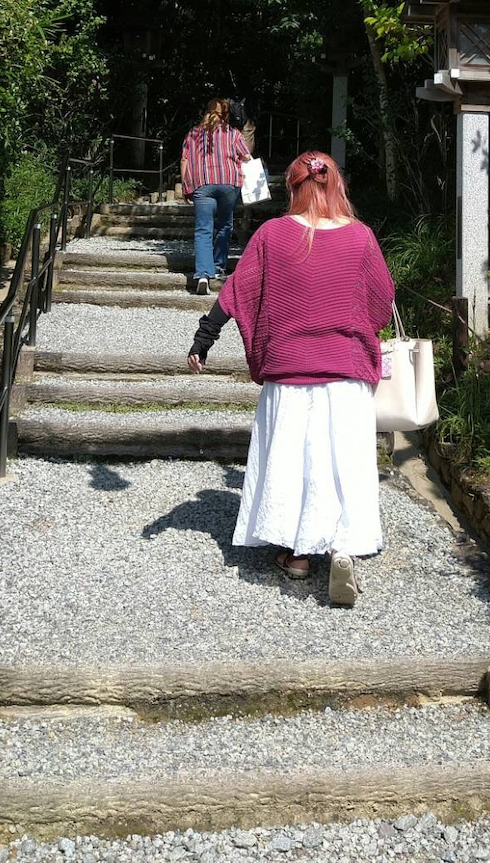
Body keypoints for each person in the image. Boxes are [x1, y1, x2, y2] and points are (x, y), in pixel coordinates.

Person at [187, 150, 394, 607]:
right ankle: (342, 547)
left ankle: (297, 555)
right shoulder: (360, 238)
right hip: (345, 372)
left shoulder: (273, 235)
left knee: (292, 462)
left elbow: (237, 291)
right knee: (342, 461)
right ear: (335, 184)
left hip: (289, 371)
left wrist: (204, 338)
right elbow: (381, 303)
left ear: (293, 188)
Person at [181, 98, 251, 294]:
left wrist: (187, 186)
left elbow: (184, 160)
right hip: (229, 183)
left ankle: (203, 274)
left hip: (202, 184)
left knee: (203, 230)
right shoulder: (233, 133)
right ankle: (218, 266)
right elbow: (246, 157)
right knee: (225, 225)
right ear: (226, 115)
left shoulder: (193, 134)